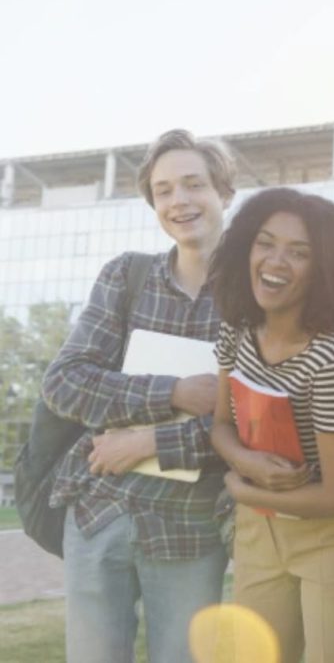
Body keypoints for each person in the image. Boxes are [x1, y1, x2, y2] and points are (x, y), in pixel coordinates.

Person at [42, 129, 235, 663]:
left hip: (190, 530)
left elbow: (251, 426)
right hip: (100, 513)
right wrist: (172, 391)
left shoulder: (254, 297)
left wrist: (149, 441)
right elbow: (65, 382)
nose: (180, 201)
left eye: (194, 184)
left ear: (225, 192)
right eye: (165, 190)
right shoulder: (127, 276)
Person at [208, 188, 334, 663]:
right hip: (260, 531)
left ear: (322, 270)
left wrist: (245, 490)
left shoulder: (332, 358)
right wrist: (243, 461)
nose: (276, 261)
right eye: (265, 243)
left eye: (299, 252)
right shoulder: (236, 328)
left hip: (333, 533)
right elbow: (221, 424)